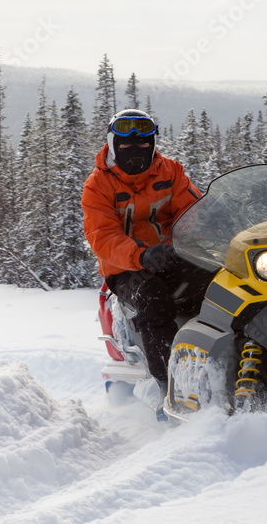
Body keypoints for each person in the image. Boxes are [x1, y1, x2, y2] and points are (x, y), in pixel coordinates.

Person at [81, 109, 213, 399]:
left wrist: (216, 227)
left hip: (170, 256)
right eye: (126, 144)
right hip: (125, 268)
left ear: (153, 144)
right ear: (113, 144)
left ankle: (239, 360)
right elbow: (103, 237)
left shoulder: (170, 172)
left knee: (222, 286)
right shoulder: (98, 185)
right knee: (153, 299)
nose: (135, 149)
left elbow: (194, 210)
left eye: (143, 143)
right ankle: (172, 388)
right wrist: (141, 255)